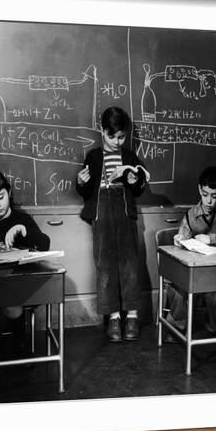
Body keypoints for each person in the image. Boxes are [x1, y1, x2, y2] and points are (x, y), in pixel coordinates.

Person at [76, 106, 148, 342]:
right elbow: (86, 192)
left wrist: (134, 180)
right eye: (112, 136)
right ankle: (114, 318)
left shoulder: (129, 157)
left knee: (129, 265)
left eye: (121, 137)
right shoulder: (94, 156)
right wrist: (81, 181)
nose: (117, 142)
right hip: (102, 215)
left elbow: (137, 190)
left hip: (125, 213)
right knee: (105, 266)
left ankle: (133, 317)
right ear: (101, 131)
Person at [0, 168, 50, 357]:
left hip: (16, 285)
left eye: (0, 197)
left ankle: (18, 346)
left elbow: (44, 244)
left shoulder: (21, 218)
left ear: (9, 193)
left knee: (12, 307)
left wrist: (23, 229)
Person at [166, 166, 216, 338]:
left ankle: (213, 329)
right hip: (196, 271)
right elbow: (184, 239)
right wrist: (180, 240)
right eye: (205, 195)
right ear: (199, 189)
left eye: (214, 196)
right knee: (176, 285)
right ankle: (177, 324)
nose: (209, 202)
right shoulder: (191, 215)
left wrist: (211, 239)